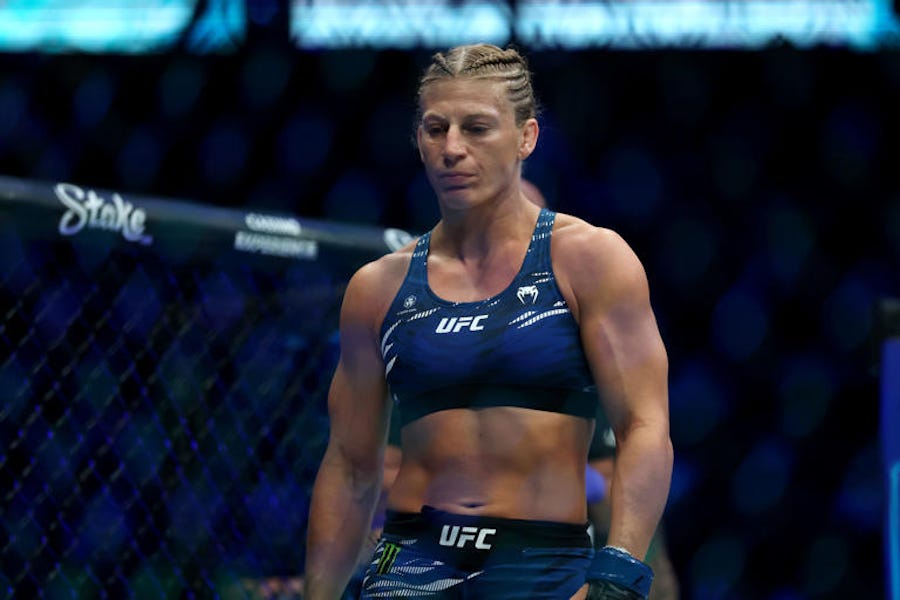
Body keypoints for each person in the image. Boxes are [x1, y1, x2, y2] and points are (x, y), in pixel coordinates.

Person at [304, 42, 672, 599]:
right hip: (409, 566)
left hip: (543, 570)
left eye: (476, 128)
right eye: (436, 129)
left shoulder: (589, 260)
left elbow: (644, 426)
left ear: (526, 137)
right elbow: (351, 466)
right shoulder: (377, 287)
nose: (452, 148)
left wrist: (618, 574)